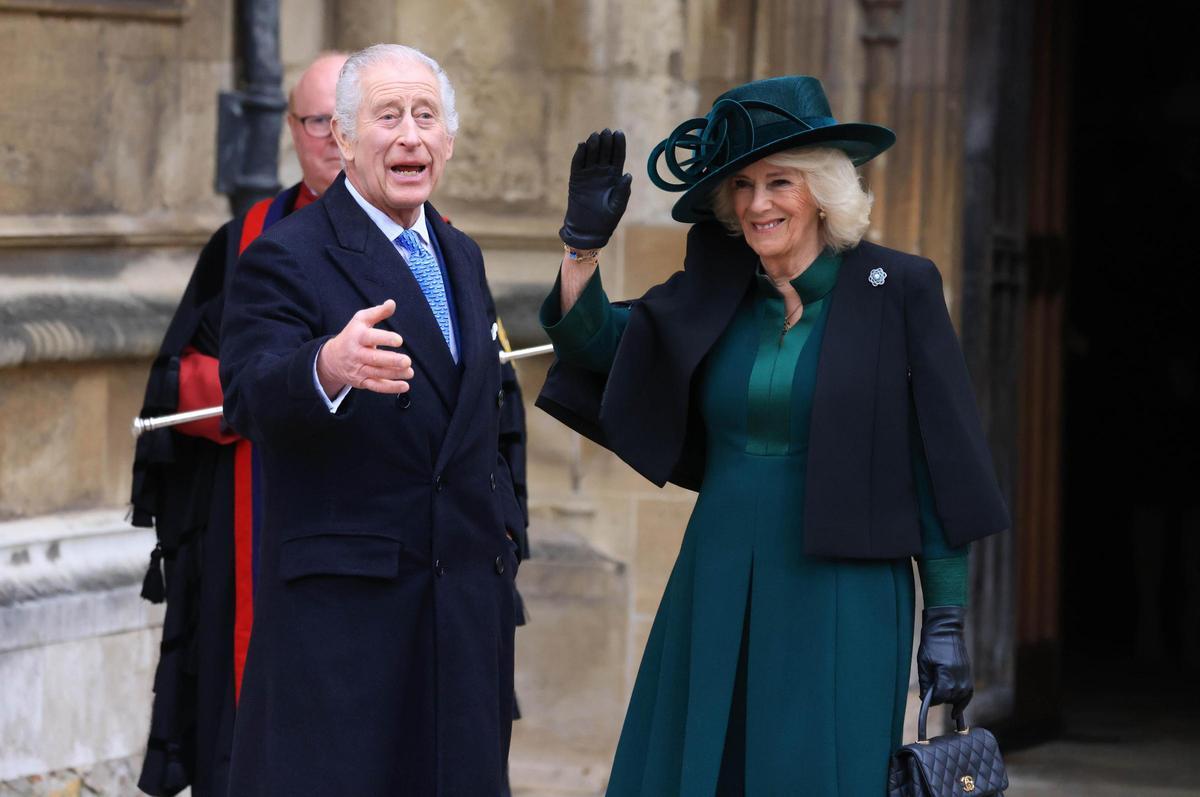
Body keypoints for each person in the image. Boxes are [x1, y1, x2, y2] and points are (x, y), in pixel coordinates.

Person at [536, 76, 1009, 795]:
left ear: (821, 190)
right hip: (718, 573)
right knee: (702, 770)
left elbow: (937, 458)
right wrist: (582, 248)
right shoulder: (718, 292)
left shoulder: (899, 287)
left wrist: (944, 617)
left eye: (779, 182)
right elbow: (598, 346)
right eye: (744, 186)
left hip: (844, 589)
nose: (759, 204)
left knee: (820, 771)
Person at [217, 44, 525, 795]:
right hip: (346, 623)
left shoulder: (462, 253)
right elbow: (247, 392)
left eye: (427, 117)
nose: (411, 137)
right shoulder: (287, 253)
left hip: (456, 609)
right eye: (388, 117)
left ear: (448, 142)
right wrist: (325, 366)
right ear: (344, 140)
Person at [131, 51, 348, 797]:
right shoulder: (244, 241)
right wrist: (269, 391)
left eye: (345, 118)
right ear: (292, 130)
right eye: (315, 120)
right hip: (260, 515)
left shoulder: (435, 246)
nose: (329, 136)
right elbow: (174, 386)